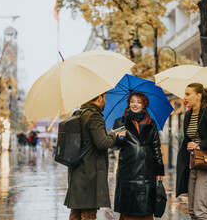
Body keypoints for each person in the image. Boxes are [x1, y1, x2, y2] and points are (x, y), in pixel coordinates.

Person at [64, 92, 125, 220]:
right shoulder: (94, 116)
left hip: (77, 172)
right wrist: (114, 135)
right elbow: (102, 143)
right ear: (99, 98)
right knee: (88, 214)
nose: (106, 102)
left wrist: (109, 134)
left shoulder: (78, 113)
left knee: (75, 213)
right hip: (89, 173)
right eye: (105, 98)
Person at [176, 83, 207, 220]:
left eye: (188, 94)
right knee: (192, 210)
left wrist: (200, 145)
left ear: (198, 96)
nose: (184, 97)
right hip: (193, 164)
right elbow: (188, 138)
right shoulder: (188, 115)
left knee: (200, 211)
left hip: (206, 164)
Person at [112, 91, 164, 220]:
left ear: (144, 105)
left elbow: (156, 147)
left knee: (145, 210)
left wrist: (159, 169)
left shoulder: (151, 124)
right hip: (127, 172)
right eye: (132, 101)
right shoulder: (120, 122)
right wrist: (117, 138)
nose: (135, 104)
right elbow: (114, 146)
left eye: (139, 102)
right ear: (129, 104)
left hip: (147, 172)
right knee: (128, 210)